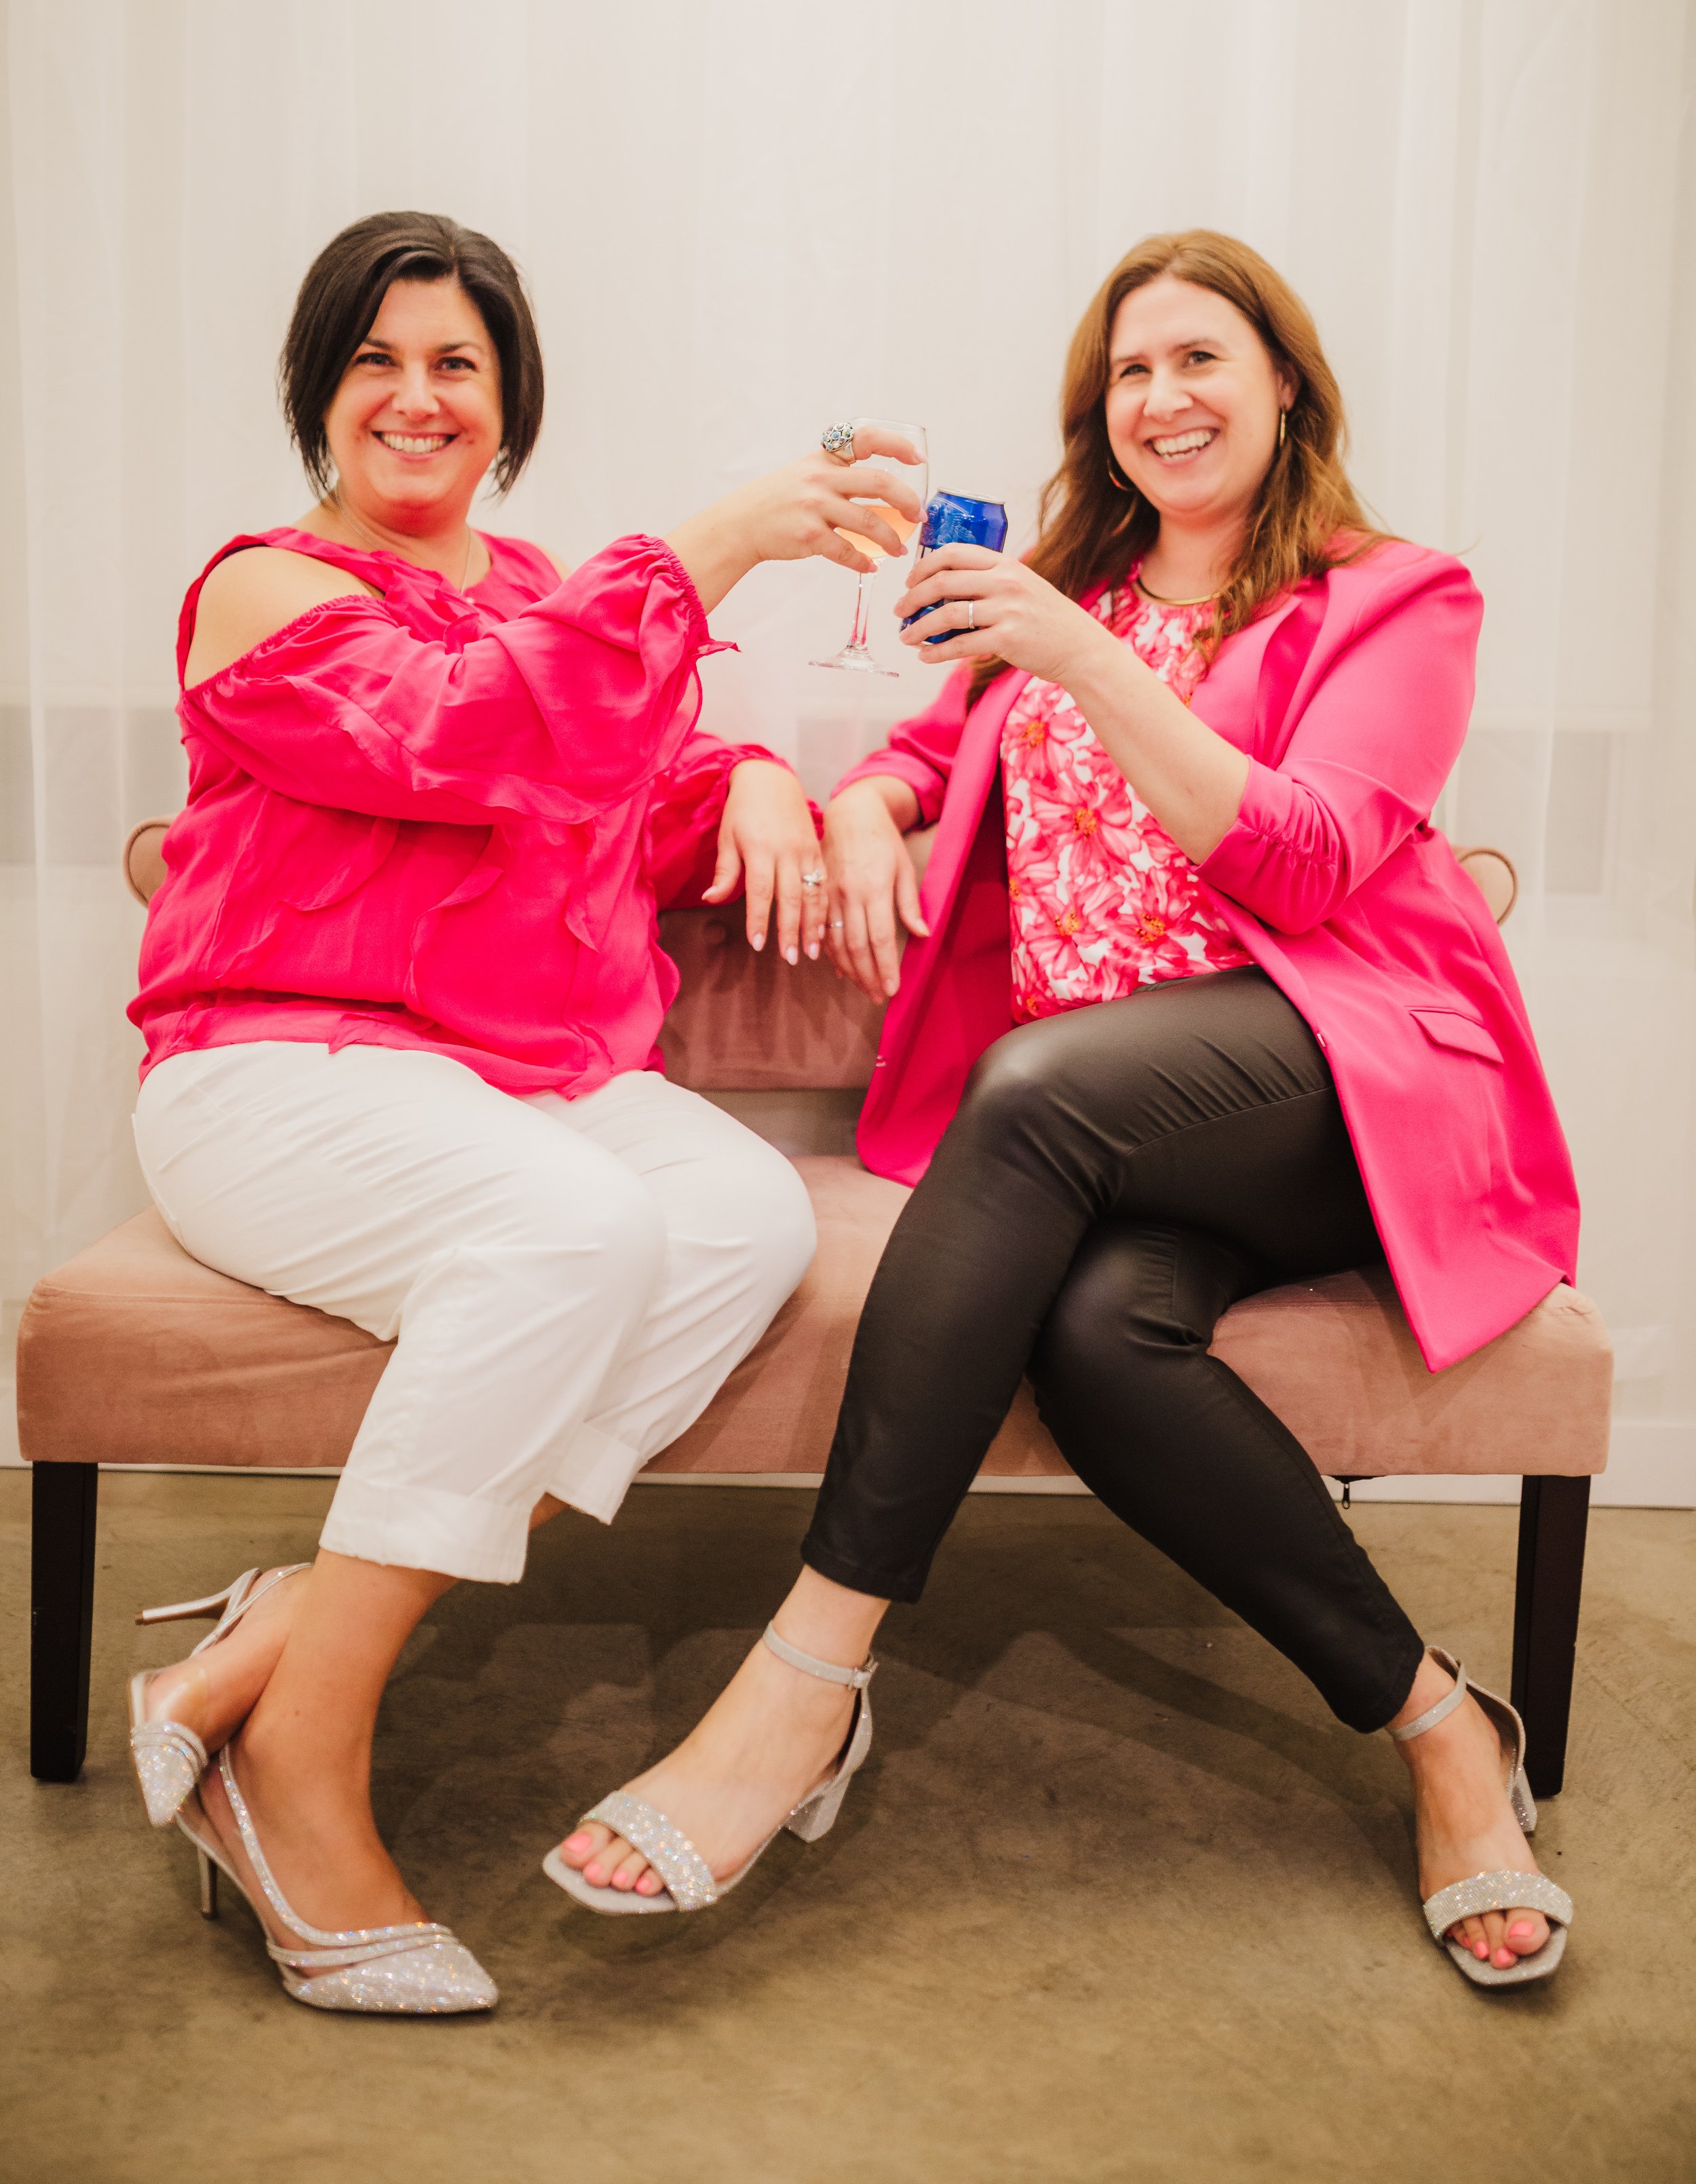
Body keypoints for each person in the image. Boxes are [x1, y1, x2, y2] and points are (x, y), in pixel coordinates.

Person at [552, 229, 1581, 1992]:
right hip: (1139, 1138)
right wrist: (869, 807)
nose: (1162, 399)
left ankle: (804, 1683)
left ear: (1282, 386)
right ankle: (1438, 1728)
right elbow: (927, 758)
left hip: (1336, 1084)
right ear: (1093, 419)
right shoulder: (1071, 602)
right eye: (1127, 374)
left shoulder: (1393, 597)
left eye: (1199, 360)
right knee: (1106, 1339)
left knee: (1024, 1094)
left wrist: (1078, 658)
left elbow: (1308, 854)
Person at [124, 210, 921, 2014]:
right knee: (581, 1228)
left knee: (742, 1223)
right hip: (276, 1067)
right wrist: (714, 543)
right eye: (377, 364)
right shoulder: (265, 588)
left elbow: (630, 788)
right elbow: (481, 735)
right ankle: (292, 1771)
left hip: (515, 1081)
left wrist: (763, 795)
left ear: (509, 404)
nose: (417, 400)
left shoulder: (541, 592)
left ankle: (283, 1636)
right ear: (319, 398)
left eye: (456, 365)